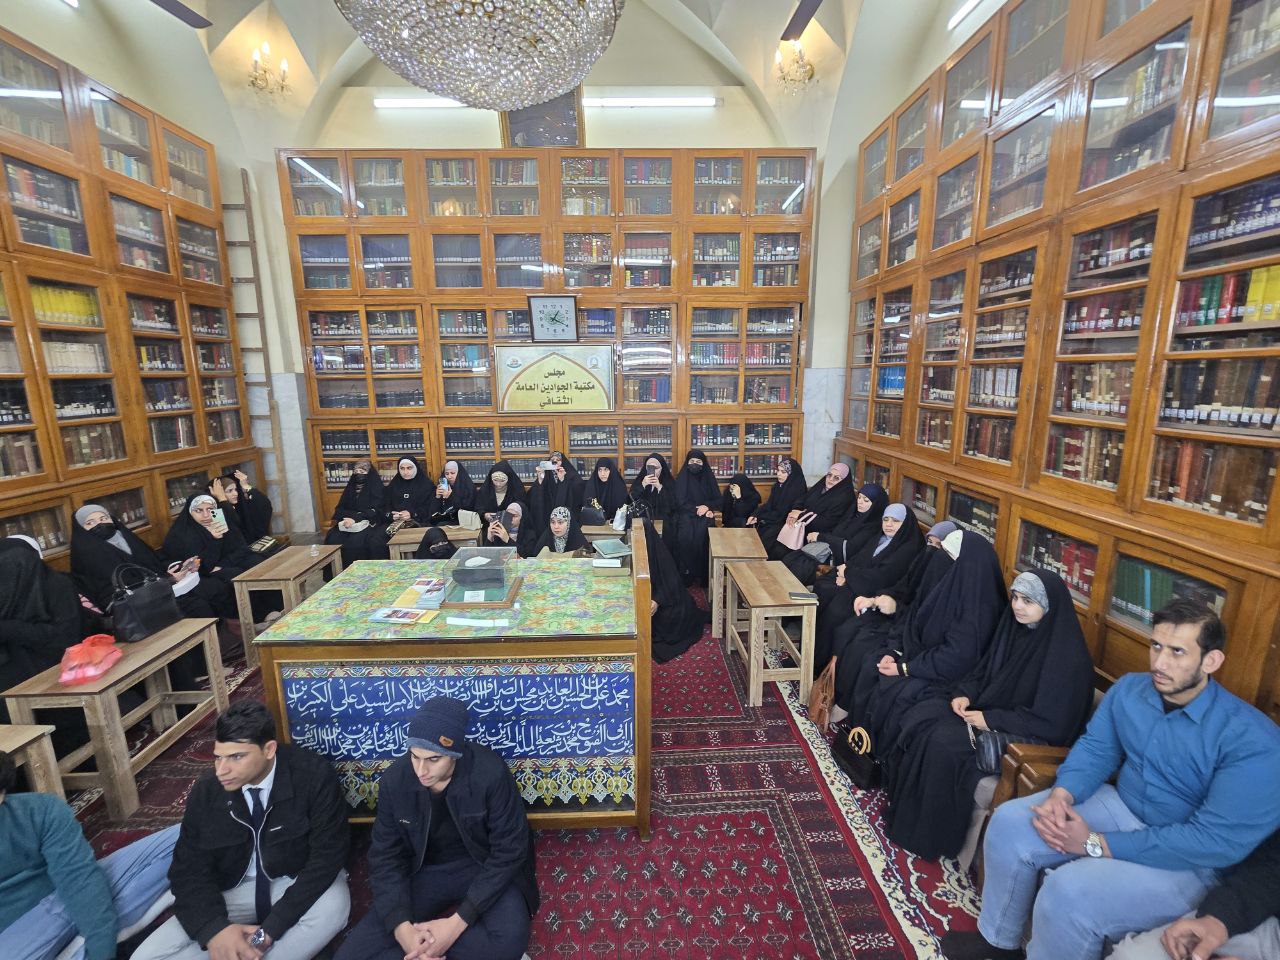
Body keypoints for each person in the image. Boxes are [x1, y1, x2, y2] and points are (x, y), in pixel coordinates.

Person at [942, 599, 1280, 960]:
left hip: (1190, 859)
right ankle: (998, 942)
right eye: (1156, 646)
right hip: (1121, 805)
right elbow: (1096, 749)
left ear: (1211, 661)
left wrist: (1093, 843)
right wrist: (1062, 795)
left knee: (1070, 892)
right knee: (1011, 823)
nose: (1160, 663)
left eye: (1177, 652)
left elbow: (1213, 842)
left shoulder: (1254, 740)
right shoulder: (1131, 689)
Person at [880, 569, 1094, 860]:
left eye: (1028, 601)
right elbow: (983, 673)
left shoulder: (1068, 659)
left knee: (943, 742)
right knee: (924, 716)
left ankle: (930, 836)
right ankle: (908, 818)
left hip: (1027, 737)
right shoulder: (1014, 630)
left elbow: (1053, 724)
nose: (1017, 606)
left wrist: (990, 720)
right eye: (1015, 597)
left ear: (1048, 606)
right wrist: (965, 694)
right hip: (989, 712)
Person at [133, 701, 350, 960]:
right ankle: (241, 950)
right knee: (145, 956)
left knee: (333, 906)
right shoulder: (207, 791)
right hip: (234, 892)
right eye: (218, 757)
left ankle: (247, 950)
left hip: (290, 884)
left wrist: (269, 931)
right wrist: (214, 930)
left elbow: (326, 858)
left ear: (269, 750)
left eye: (237, 757)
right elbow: (187, 870)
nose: (222, 770)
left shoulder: (312, 776)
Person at [335, 697, 538, 960]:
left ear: (455, 754)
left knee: (509, 943)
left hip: (483, 866)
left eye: (433, 759)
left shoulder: (490, 773)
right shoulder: (395, 781)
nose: (421, 770)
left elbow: (510, 851)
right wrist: (403, 931)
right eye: (415, 756)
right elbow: (385, 857)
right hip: (425, 871)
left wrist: (453, 927)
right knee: (348, 956)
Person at [831, 530, 1006, 785]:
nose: (938, 558)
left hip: (950, 676)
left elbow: (956, 658)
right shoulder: (947, 586)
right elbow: (912, 621)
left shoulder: (979, 607)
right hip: (920, 659)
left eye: (947, 555)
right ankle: (860, 745)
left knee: (898, 692)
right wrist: (894, 653)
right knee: (874, 664)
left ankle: (882, 765)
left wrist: (905, 668)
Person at [0, 750, 179, 960]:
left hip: (66, 899)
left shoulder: (41, 810)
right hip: (15, 938)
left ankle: (89, 942)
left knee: (186, 836)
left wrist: (100, 949)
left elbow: (80, 880)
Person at [817, 519, 957, 685]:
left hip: (907, 629)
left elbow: (922, 613)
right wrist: (876, 600)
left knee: (862, 648)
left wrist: (895, 607)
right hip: (894, 613)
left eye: (938, 545)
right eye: (929, 542)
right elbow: (902, 587)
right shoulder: (922, 561)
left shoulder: (947, 577)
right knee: (846, 630)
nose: (932, 549)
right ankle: (828, 683)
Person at [1110, 827, 1280, 960]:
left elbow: (1205, 839)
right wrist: (1221, 919)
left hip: (1198, 862)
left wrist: (1099, 844)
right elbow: (1271, 868)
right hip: (1263, 915)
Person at [811, 503, 924, 672]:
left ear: (905, 524)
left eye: (895, 521)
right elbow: (859, 558)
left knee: (835, 613)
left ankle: (822, 667)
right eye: (886, 519)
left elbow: (883, 577)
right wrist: (845, 573)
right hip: (859, 584)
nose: (889, 524)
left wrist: (848, 574)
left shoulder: (909, 548)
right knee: (824, 593)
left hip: (877, 594)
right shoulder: (881, 538)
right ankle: (813, 657)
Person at [71, 504, 233, 621]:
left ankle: (225, 643)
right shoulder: (88, 553)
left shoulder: (126, 538)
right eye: (90, 523)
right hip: (134, 606)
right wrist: (168, 580)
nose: (100, 524)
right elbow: (116, 589)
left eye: (103, 518)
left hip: (162, 588)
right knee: (196, 606)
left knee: (213, 589)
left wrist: (179, 568)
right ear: (81, 529)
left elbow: (153, 562)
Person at [163, 494, 280, 625]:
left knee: (257, 561)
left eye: (210, 509)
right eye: (199, 510)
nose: (206, 515)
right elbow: (202, 566)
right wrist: (215, 540)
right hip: (201, 573)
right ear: (190, 512)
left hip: (222, 564)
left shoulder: (220, 521)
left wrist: (223, 564)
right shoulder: (182, 534)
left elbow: (241, 548)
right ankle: (258, 616)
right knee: (234, 575)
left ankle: (277, 606)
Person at [641, 519, 708, 664]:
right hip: (651, 597)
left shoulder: (657, 553)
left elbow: (671, 584)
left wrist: (657, 600)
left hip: (669, 603)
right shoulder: (638, 551)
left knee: (665, 631)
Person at [762, 462, 855, 559]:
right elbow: (803, 499)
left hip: (817, 536)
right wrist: (795, 510)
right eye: (829, 475)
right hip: (802, 528)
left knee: (783, 554)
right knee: (772, 542)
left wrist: (800, 515)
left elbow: (827, 523)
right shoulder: (820, 486)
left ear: (844, 481)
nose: (830, 479)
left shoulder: (844, 498)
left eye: (836, 478)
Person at [665, 449, 722, 585]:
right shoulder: (682, 478)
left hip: (704, 515)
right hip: (685, 514)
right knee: (685, 536)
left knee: (704, 537)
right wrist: (696, 509)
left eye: (698, 462)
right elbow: (678, 502)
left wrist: (707, 507)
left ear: (703, 464)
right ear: (687, 463)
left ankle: (702, 574)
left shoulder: (708, 478)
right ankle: (686, 573)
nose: (695, 464)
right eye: (692, 461)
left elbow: (719, 500)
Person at [323, 461, 387, 565]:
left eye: (362, 471)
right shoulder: (350, 488)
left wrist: (357, 518)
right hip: (347, 522)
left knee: (356, 542)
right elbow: (339, 509)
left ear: (369, 473)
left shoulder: (377, 488)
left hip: (368, 523)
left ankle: (358, 571)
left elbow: (377, 510)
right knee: (333, 537)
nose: (358, 474)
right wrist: (348, 518)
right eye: (356, 471)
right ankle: (336, 571)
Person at [746, 458, 807, 545]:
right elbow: (769, 505)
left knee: (764, 538)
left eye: (783, 472)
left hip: (785, 525)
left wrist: (761, 517)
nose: (778, 474)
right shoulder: (777, 486)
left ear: (791, 474)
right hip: (773, 521)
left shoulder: (797, 490)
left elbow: (783, 514)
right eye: (778, 470)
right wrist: (755, 515)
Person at [211, 471, 274, 544]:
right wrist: (222, 499)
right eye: (230, 491)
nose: (235, 494)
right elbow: (230, 528)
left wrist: (246, 486)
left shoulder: (240, 506)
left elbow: (264, 506)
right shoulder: (215, 512)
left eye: (236, 490)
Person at [529, 451, 582, 532]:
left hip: (564, 518)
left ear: (563, 462)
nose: (555, 462)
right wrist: (540, 480)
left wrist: (562, 480)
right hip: (547, 517)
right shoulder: (546, 475)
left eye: (558, 460)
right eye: (552, 460)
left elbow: (574, 499)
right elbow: (537, 499)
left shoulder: (571, 476)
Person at [628, 453, 676, 524]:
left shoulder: (669, 483)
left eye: (656, 468)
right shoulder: (640, 480)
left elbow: (672, 505)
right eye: (649, 468)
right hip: (642, 522)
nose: (653, 471)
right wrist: (643, 485)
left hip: (664, 522)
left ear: (662, 469)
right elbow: (631, 500)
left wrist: (660, 488)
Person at [581, 456, 628, 525]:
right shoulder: (592, 485)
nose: (602, 474)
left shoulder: (619, 486)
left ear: (611, 470)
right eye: (600, 470)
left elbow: (622, 509)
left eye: (606, 470)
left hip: (615, 524)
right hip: (595, 524)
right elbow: (588, 507)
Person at [428, 461, 476, 527]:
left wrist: (451, 497)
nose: (449, 477)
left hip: (461, 523)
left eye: (452, 473)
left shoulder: (468, 488)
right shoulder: (442, 487)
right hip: (442, 521)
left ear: (458, 473)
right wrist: (437, 497)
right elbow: (432, 513)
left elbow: (466, 510)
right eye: (447, 474)